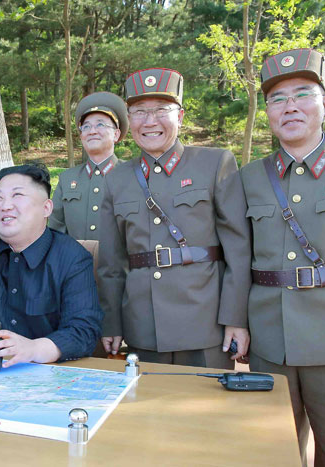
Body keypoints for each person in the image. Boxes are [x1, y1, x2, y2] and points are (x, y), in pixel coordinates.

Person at [241, 48, 325, 466]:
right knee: (272, 455)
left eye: (303, 94)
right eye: (277, 99)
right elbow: (237, 257)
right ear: (267, 112)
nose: (290, 107)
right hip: (270, 341)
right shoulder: (249, 176)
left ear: (323, 102)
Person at [97, 67, 251, 368]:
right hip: (143, 327)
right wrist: (112, 323)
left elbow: (239, 251)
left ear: (179, 116)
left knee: (208, 413)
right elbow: (110, 265)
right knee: (149, 414)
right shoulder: (118, 179)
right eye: (139, 112)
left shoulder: (214, 163)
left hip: (206, 325)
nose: (150, 121)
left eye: (161, 111)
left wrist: (236, 318)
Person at [0, 158, 102, 367]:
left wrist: (33, 348)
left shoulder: (72, 257)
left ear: (46, 208)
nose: (6, 206)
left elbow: (84, 331)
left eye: (18, 195)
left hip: (48, 374)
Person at [48, 91, 128, 240]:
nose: (92, 131)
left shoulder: (133, 175)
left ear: (116, 134)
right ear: (81, 136)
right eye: (86, 127)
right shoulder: (67, 179)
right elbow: (55, 232)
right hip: (74, 262)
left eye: (100, 124)